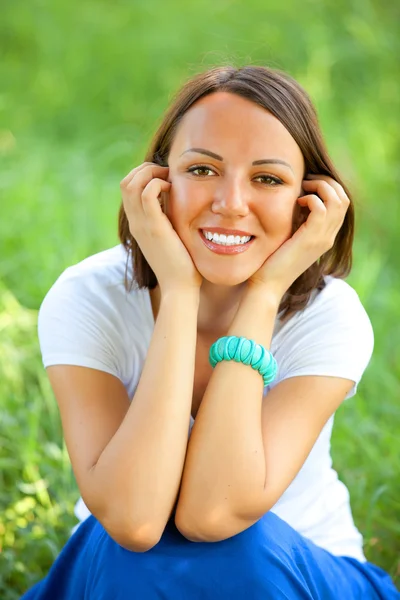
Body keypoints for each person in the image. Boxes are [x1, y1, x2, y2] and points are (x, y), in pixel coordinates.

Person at [22, 65, 399, 599]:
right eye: (202, 170)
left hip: (296, 571)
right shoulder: (89, 297)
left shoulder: (329, 315)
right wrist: (179, 292)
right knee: (131, 552)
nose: (230, 203)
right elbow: (133, 520)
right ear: (157, 183)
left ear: (307, 202)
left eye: (267, 179)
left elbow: (213, 513)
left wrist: (266, 293)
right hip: (125, 571)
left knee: (235, 548)